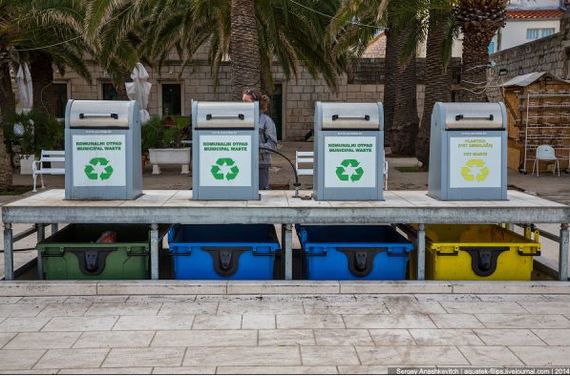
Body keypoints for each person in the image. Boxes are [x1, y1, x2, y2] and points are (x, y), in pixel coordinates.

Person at [242, 89, 278, 190]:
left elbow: (273, 145)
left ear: (256, 103)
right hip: (242, 163)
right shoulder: (240, 119)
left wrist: (254, 147)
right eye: (242, 101)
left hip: (261, 164)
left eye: (246, 102)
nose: (243, 104)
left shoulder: (266, 121)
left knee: (262, 193)